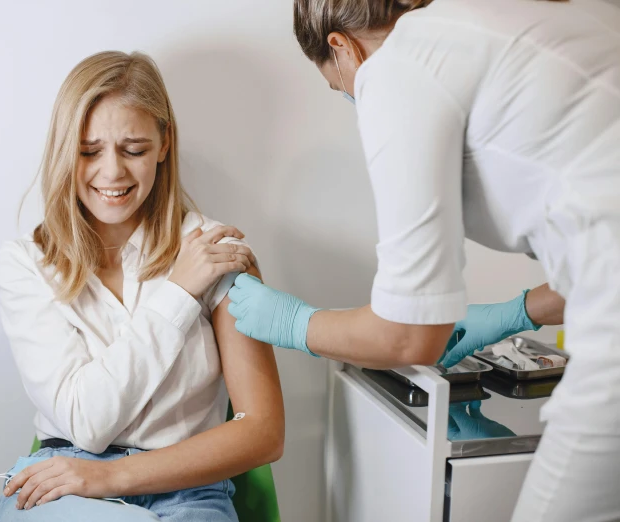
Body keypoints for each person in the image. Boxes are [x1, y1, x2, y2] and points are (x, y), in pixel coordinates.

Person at [227, 0, 620, 520]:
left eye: (338, 85)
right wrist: (519, 310)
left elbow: (410, 337)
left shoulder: (393, 69)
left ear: (342, 47)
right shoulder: (498, 20)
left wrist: (293, 322)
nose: (351, 95)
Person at [0, 51, 284, 522]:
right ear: (65, 148)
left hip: (189, 491)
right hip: (65, 480)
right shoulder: (26, 263)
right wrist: (179, 295)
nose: (112, 173)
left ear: (164, 144)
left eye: (133, 150)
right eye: (89, 151)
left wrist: (109, 478)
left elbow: (263, 431)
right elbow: (85, 423)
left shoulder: (214, 253)